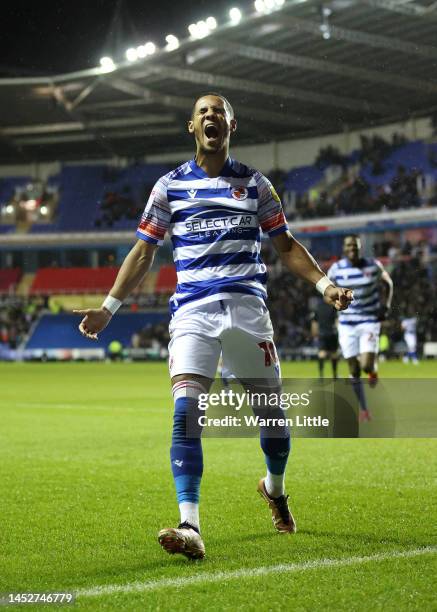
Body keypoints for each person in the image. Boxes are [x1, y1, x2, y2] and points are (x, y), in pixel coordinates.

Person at [74, 93, 353, 560]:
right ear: (191, 126)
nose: (211, 117)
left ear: (231, 126)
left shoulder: (256, 184)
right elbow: (143, 251)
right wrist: (108, 307)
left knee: (273, 421)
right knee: (187, 413)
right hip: (193, 314)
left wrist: (324, 284)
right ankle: (190, 525)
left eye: (218, 112)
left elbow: (285, 246)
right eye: (203, 111)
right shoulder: (168, 187)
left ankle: (275, 489)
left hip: (247, 311)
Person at [327, 235, 393, 422]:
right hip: (346, 324)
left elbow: (388, 283)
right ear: (344, 248)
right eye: (349, 246)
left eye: (355, 246)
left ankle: (372, 370)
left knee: (365, 365)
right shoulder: (336, 269)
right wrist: (333, 303)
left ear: (360, 247)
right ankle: (364, 410)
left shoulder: (373, 266)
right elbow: (327, 292)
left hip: (368, 321)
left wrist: (386, 306)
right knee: (354, 369)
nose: (352, 249)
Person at [310, 297, 339, 379]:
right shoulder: (333, 307)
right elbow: (337, 320)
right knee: (334, 354)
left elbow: (314, 322)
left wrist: (314, 333)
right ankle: (335, 375)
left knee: (321, 353)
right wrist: (338, 331)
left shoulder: (318, 307)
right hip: (332, 333)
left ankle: (321, 375)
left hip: (322, 333)